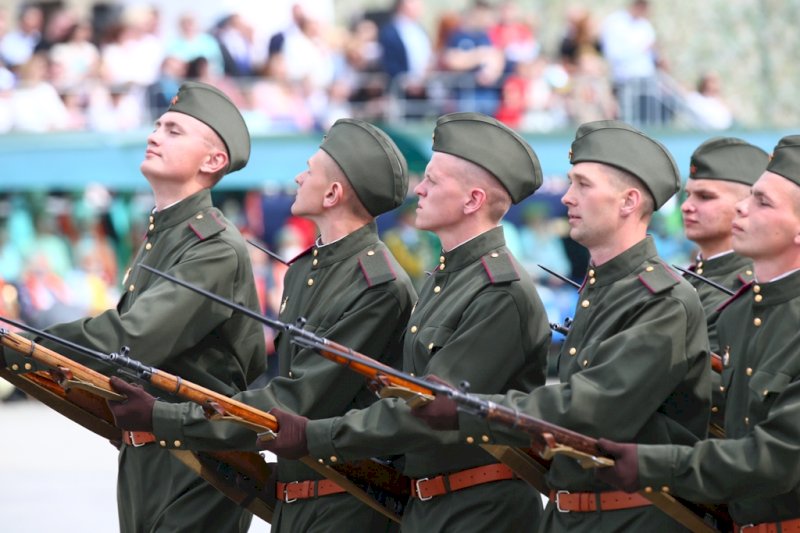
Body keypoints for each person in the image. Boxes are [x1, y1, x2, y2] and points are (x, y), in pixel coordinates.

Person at [108, 118, 417, 532]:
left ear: (332, 193)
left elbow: (296, 400)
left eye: (309, 170)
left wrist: (166, 418)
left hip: (348, 505)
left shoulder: (378, 286)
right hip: (296, 501)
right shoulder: (305, 270)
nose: (297, 177)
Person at [412, 120, 711, 531]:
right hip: (573, 515)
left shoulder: (662, 299)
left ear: (628, 202)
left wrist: (473, 408)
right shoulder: (606, 287)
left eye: (583, 185)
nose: (568, 197)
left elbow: (589, 409)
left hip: (633, 518)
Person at [261, 112, 552, 532]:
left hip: (481, 512)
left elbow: (424, 409)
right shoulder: (448, 279)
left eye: (433, 181)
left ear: (472, 201)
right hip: (430, 505)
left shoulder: (499, 292)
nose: (420, 188)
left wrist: (317, 435)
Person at [1, 81, 267, 533]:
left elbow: (133, 337)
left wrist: (24, 345)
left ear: (213, 161)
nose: (154, 135)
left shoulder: (214, 248)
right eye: (158, 125)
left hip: (199, 462)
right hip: (149, 454)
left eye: (174, 131)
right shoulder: (166, 235)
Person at [596, 135, 800, 531]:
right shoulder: (741, 313)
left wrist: (653, 462)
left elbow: (776, 458)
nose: (743, 207)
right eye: (750, 195)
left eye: (762, 202)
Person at [680, 137, 768, 431]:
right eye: (688, 194)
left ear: (747, 205)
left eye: (705, 197)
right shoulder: (690, 279)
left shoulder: (748, 287)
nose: (687, 207)